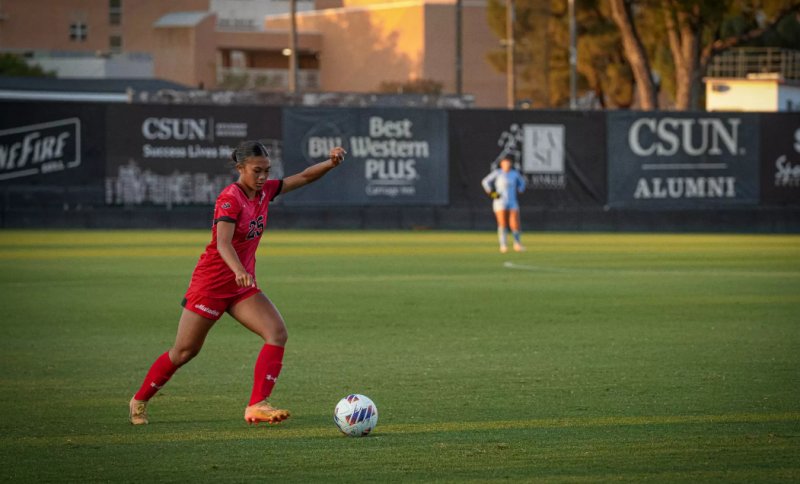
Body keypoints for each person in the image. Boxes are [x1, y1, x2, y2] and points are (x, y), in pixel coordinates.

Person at [129, 140, 346, 426]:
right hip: (212, 284)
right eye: (257, 171)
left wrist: (330, 164)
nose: (263, 177)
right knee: (184, 351)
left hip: (240, 287)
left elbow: (304, 176)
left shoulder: (265, 191)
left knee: (276, 332)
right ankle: (139, 400)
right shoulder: (229, 198)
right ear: (240, 168)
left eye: (267, 171)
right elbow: (222, 243)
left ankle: (257, 404)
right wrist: (239, 270)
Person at [481, 157, 526, 253]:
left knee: (515, 223)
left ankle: (517, 244)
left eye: (508, 163)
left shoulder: (514, 174)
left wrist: (521, 189)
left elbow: (522, 182)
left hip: (512, 201)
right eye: (505, 163)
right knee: (502, 223)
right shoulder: (498, 173)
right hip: (500, 202)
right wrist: (492, 193)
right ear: (501, 164)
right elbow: (485, 182)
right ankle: (503, 245)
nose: (507, 165)